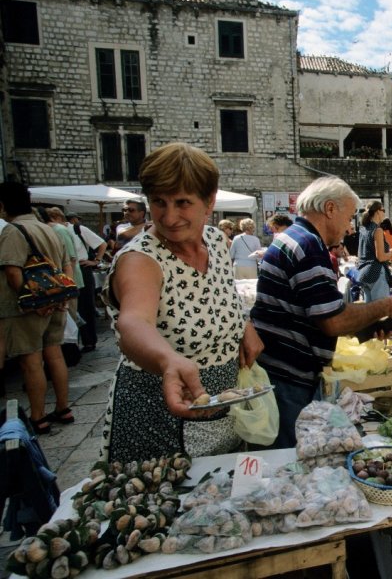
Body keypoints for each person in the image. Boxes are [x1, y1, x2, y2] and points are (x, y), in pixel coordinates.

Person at [102, 142, 263, 463]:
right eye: (158, 202)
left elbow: (215, 294)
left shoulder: (216, 241)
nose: (170, 216)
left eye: (182, 202)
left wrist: (244, 324)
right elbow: (134, 321)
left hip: (219, 412)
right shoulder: (139, 259)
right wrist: (167, 361)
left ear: (209, 202)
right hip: (157, 421)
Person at [251, 178, 392, 448]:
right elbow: (332, 321)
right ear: (329, 209)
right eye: (348, 216)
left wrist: (368, 327)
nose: (350, 226)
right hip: (288, 379)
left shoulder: (294, 239)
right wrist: (385, 306)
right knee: (286, 458)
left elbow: (318, 312)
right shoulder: (308, 246)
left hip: (281, 372)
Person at [0, 183, 75, 435]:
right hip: (55, 301)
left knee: (31, 361)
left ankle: (38, 415)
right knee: (55, 354)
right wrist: (58, 297)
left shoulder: (13, 231)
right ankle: (63, 407)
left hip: (27, 308)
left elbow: (13, 272)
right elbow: (67, 265)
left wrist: (34, 301)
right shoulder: (50, 228)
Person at [66, 212, 107, 353]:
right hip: (67, 270)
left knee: (85, 306)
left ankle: (89, 341)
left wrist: (96, 261)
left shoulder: (78, 229)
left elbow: (102, 244)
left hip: (82, 268)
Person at [43, 207, 83, 319]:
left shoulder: (59, 230)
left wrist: (67, 286)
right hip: (61, 281)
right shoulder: (56, 229)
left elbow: (71, 259)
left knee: (69, 317)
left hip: (67, 281)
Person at [357, 201, 392, 302]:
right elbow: (380, 257)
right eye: (383, 210)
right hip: (376, 273)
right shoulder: (378, 230)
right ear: (377, 212)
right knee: (382, 312)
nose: (384, 213)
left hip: (364, 273)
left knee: (370, 313)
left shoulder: (363, 229)